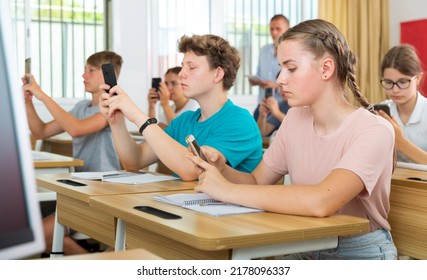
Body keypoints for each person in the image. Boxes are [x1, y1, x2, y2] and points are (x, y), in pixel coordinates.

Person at [189, 19, 397, 260]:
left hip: (358, 253)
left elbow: (321, 201)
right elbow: (257, 181)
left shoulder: (375, 130)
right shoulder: (295, 118)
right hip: (301, 242)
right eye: (280, 68)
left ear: (326, 69)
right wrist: (221, 169)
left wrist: (226, 191)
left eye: (291, 68)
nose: (280, 79)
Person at [99, 34, 262, 182]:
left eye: (191, 67)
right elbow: (134, 161)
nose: (182, 74)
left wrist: (137, 116)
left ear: (218, 74)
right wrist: (117, 121)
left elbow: (192, 171)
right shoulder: (184, 121)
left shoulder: (239, 121)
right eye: (182, 66)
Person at [22, 51, 123, 255]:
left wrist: (43, 95)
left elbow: (76, 129)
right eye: (84, 70)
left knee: (40, 236)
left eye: (90, 70)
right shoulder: (81, 107)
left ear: (106, 75)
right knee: (37, 233)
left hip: (103, 193)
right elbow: (40, 132)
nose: (83, 75)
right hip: (79, 190)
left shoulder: (112, 107)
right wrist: (29, 102)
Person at [377, 44, 427, 164]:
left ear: (418, 78)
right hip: (395, 181)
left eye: (403, 82)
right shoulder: (381, 112)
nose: (395, 90)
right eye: (389, 82)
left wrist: (400, 141)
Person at [249, 14, 289, 120]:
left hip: (281, 106)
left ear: (288, 29)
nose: (274, 33)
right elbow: (259, 74)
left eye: (278, 29)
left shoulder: (291, 53)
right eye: (271, 29)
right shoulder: (263, 51)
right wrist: (256, 81)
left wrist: (276, 85)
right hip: (262, 104)